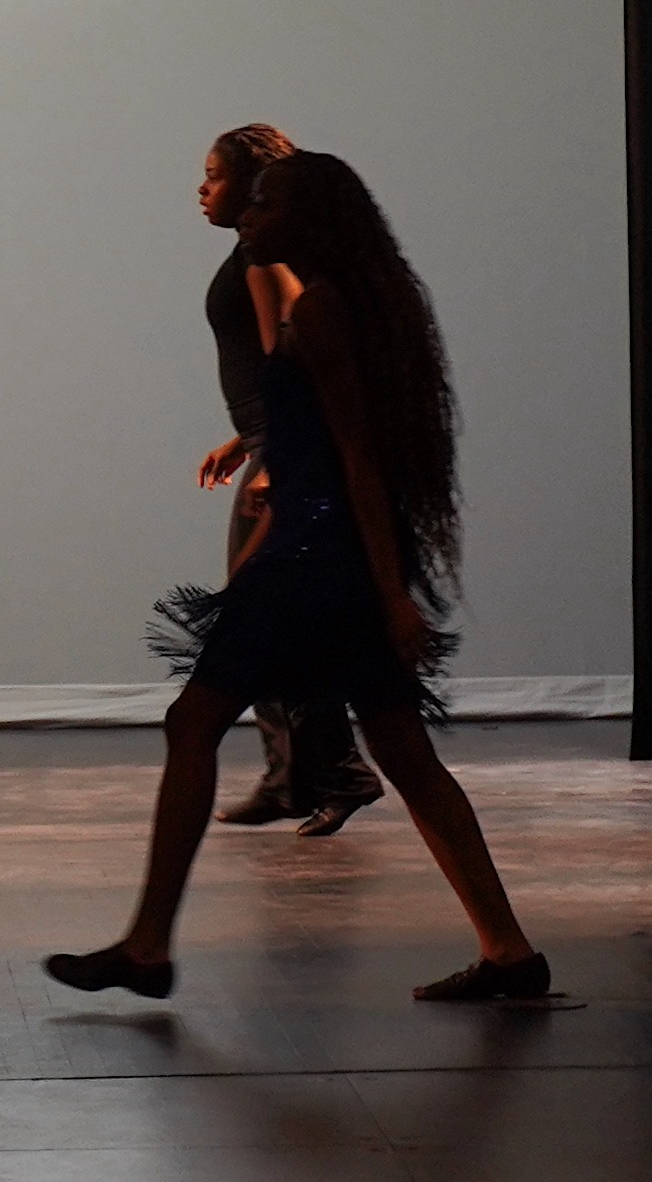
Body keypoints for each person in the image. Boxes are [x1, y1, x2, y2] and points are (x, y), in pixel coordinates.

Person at [48, 152, 549, 1003]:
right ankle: (508, 949)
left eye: (266, 201)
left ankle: (147, 944)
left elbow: (355, 457)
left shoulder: (321, 312)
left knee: (193, 720)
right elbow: (332, 453)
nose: (248, 210)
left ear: (309, 219)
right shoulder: (354, 305)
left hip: (314, 563)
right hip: (327, 555)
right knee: (402, 751)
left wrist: (386, 591)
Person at [191, 125, 384, 836]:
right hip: (273, 446)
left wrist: (271, 456)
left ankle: (339, 769)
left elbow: (291, 365)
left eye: (214, 175)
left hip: (289, 457)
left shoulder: (264, 262)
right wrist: (242, 441)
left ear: (252, 185)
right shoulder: (250, 255)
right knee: (264, 618)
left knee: (265, 616)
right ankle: (290, 776)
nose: (200, 189)